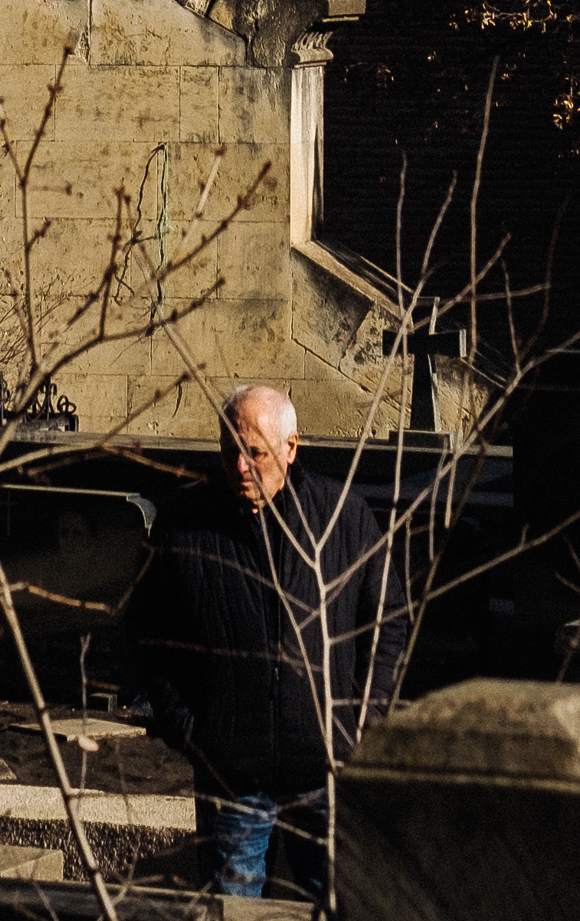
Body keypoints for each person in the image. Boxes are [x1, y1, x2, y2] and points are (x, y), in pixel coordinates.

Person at [128, 381, 410, 902]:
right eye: (229, 451)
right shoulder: (185, 523)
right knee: (230, 910)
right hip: (231, 771)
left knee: (335, 905)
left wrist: (361, 718)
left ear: (291, 447)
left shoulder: (343, 516)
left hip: (326, 766)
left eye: (254, 453)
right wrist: (191, 731)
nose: (239, 467)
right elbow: (149, 636)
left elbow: (388, 619)